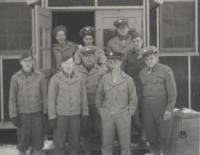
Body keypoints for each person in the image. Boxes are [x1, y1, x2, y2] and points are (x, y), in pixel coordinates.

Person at [96, 51, 138, 155]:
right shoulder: (105, 79)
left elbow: (133, 99)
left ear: (120, 63)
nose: (113, 65)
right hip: (107, 114)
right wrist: (101, 111)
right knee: (106, 144)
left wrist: (129, 113)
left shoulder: (128, 79)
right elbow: (99, 96)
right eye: (110, 62)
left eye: (115, 62)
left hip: (123, 114)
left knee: (125, 145)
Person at [138, 46, 177, 155]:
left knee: (164, 133)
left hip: (161, 106)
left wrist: (169, 109)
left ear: (156, 57)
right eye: (146, 60)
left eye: (151, 58)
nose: (149, 61)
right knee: (150, 132)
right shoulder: (142, 72)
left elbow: (172, 92)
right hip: (146, 107)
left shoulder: (165, 70)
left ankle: (162, 152)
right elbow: (141, 92)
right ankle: (154, 152)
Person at [47, 55, 88, 155]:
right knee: (59, 142)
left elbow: (83, 97)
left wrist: (85, 113)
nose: (68, 66)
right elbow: (51, 99)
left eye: (70, 63)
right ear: (61, 65)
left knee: (74, 142)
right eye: (65, 63)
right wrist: (52, 116)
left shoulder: (79, 78)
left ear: (73, 64)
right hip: (61, 116)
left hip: (75, 115)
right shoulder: (55, 79)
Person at [9, 51, 47, 155]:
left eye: (30, 61)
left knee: (38, 143)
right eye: (25, 61)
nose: (28, 63)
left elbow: (44, 95)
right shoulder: (15, 77)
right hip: (22, 115)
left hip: (37, 114)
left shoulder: (40, 76)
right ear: (21, 62)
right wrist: (13, 115)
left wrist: (45, 113)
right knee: (22, 144)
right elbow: (12, 98)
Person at [75, 46, 105, 155]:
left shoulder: (101, 71)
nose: (89, 59)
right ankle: (87, 151)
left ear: (95, 57)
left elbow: (104, 89)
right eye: (86, 56)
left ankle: (102, 150)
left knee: (100, 129)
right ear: (81, 57)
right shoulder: (75, 71)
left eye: (91, 56)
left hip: (97, 105)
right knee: (84, 130)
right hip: (82, 106)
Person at [122, 32, 146, 146]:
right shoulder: (128, 54)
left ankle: (144, 135)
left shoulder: (147, 53)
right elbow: (123, 70)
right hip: (131, 86)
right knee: (132, 110)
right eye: (134, 41)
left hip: (145, 86)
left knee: (144, 111)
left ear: (142, 41)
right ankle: (132, 136)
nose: (136, 43)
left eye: (138, 41)